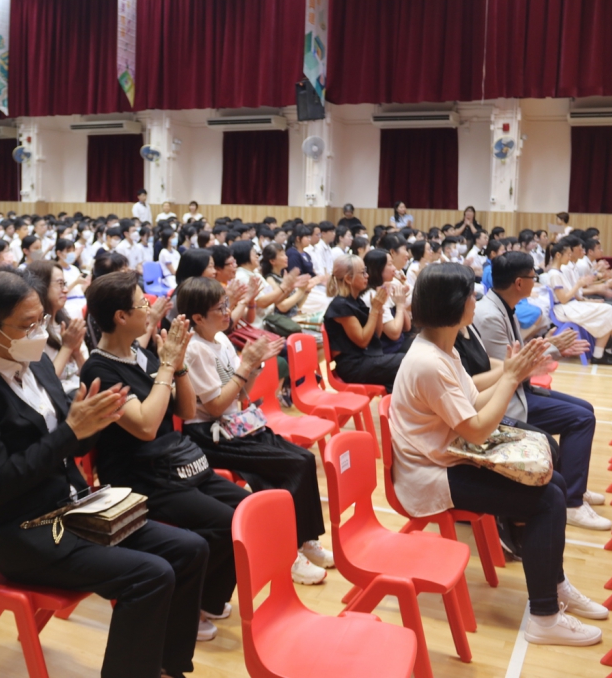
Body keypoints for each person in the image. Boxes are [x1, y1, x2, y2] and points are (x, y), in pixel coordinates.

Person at [0, 267, 207, 678]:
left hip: (73, 507)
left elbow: (73, 445)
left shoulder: (37, 364)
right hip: (21, 529)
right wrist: (71, 431)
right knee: (150, 576)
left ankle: (167, 665)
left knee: (190, 548)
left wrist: (94, 422)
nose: (39, 332)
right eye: (28, 324)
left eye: (41, 320)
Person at [390, 262, 607, 647]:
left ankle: (554, 585)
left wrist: (514, 372)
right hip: (430, 474)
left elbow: (472, 399)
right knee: (546, 500)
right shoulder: (428, 362)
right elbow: (476, 428)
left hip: (448, 456)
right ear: (454, 304)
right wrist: (510, 377)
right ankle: (544, 616)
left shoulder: (441, 348)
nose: (475, 301)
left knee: (555, 484)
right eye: (470, 295)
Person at [82, 271, 250, 640]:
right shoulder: (99, 369)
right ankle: (189, 607)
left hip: (173, 464)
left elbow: (185, 411)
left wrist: (180, 365)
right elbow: (145, 425)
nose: (151, 308)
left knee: (245, 509)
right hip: (138, 477)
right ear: (121, 317)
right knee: (224, 524)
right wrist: (166, 367)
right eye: (143, 304)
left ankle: (206, 598)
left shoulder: (140, 354)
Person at [176, 277, 335, 584]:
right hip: (209, 434)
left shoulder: (221, 340)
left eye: (226, 304)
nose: (228, 312)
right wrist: (245, 366)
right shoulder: (195, 351)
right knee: (287, 466)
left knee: (303, 459)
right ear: (198, 317)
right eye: (220, 307)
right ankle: (286, 552)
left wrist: (255, 364)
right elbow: (216, 406)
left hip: (234, 425)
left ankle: (305, 540)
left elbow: (241, 393)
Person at [473, 252, 611, 530]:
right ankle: (571, 503)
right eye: (532, 277)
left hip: (518, 389)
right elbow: (513, 370)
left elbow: (518, 356)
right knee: (581, 419)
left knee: (585, 409)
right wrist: (551, 350)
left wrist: (550, 345)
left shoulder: (503, 305)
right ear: (519, 282)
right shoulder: (489, 315)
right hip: (506, 400)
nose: (535, 281)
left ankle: (573, 486)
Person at [323, 254, 406, 391]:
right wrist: (374, 310)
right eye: (363, 273)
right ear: (348, 279)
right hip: (353, 366)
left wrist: (379, 309)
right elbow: (362, 341)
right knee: (405, 361)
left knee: (401, 377)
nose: (367, 276)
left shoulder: (356, 301)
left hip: (366, 359)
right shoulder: (341, 306)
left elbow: (376, 335)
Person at [543, 240, 612, 366]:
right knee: (608, 310)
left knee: (609, 310)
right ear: (558, 255)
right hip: (564, 309)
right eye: (568, 254)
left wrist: (584, 293)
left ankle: (603, 352)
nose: (570, 257)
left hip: (570, 306)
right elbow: (564, 299)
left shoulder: (558, 272)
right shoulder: (554, 274)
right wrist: (578, 285)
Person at [26, 260, 87, 397]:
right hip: (57, 398)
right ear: (41, 286)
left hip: (79, 389)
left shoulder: (67, 322)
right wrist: (67, 347)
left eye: (64, 284)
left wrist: (77, 353)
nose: (65, 290)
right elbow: (46, 382)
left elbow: (88, 375)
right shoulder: (33, 330)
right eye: (60, 284)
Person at [360, 250, 410, 354]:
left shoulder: (387, 287)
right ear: (378, 268)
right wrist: (400, 305)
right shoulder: (373, 295)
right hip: (388, 350)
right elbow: (394, 334)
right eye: (390, 264)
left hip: (398, 344)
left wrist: (400, 291)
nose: (394, 268)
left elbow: (407, 327)